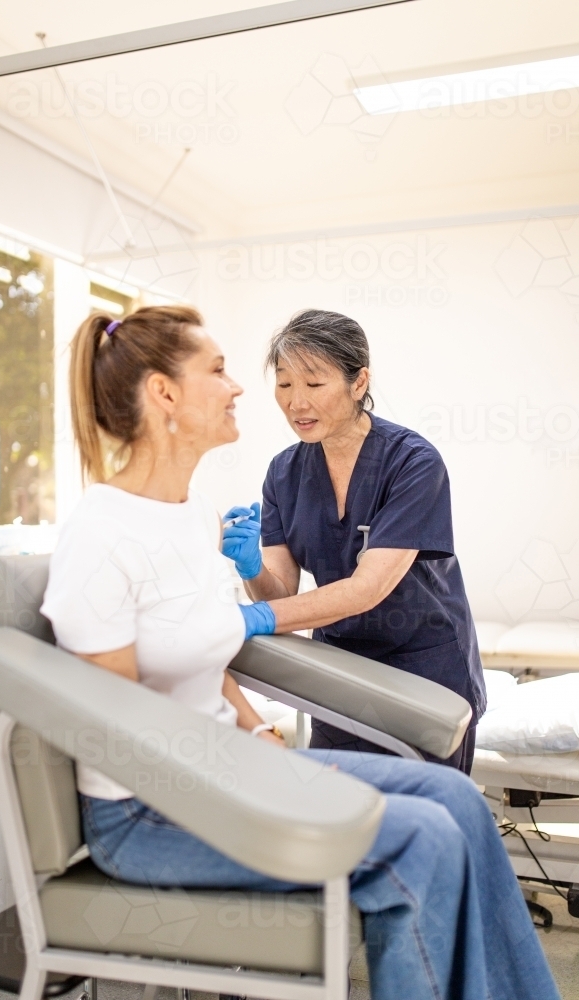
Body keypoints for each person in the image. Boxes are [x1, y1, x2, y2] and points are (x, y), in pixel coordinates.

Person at [41, 305, 558, 1000]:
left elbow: (333, 601)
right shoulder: (106, 530)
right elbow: (117, 718)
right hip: (159, 802)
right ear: (164, 394)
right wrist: (248, 763)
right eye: (226, 371)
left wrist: (251, 723)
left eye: (308, 382)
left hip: (410, 657)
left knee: (457, 802)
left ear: (357, 382)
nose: (263, 395)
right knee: (423, 839)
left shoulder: (190, 512)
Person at [222, 309, 485, 773]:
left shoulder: (413, 463)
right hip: (338, 674)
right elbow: (281, 594)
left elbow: (368, 589)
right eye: (284, 385)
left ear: (358, 383)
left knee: (427, 818)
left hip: (422, 670)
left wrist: (250, 618)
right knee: (342, 812)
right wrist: (251, 572)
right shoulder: (283, 473)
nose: (296, 403)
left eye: (314, 384)